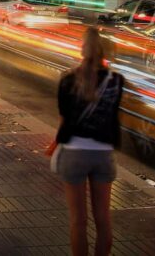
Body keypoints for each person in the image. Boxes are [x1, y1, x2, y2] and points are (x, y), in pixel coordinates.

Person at [52, 28, 124, 256]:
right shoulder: (116, 81)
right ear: (106, 51)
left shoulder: (68, 79)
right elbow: (113, 114)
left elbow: (64, 118)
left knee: (78, 221)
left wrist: (55, 144)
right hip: (103, 154)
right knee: (103, 220)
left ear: (82, 48)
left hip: (74, 153)